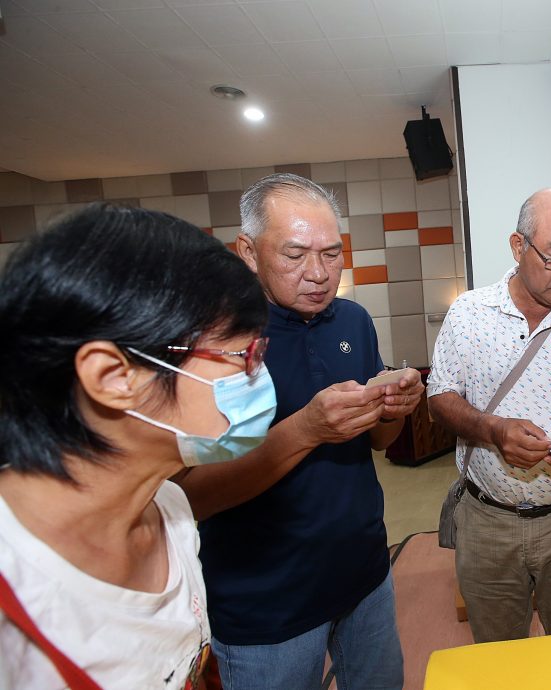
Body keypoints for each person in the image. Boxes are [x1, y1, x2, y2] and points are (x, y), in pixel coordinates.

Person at [0, 204, 273, 689]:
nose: (259, 378)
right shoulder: (15, 588)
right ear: (113, 376)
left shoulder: (169, 508)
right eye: (243, 355)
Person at [174, 174, 423, 690]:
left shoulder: (352, 320)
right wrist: (306, 429)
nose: (318, 273)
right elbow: (190, 496)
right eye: (294, 254)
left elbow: (377, 442)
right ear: (247, 251)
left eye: (332, 254)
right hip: (266, 605)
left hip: (365, 576)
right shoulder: (211, 343)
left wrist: (393, 409)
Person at [427, 188, 551, 643]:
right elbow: (440, 397)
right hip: (488, 520)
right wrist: (492, 430)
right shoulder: (469, 314)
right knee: (500, 655)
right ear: (518, 246)